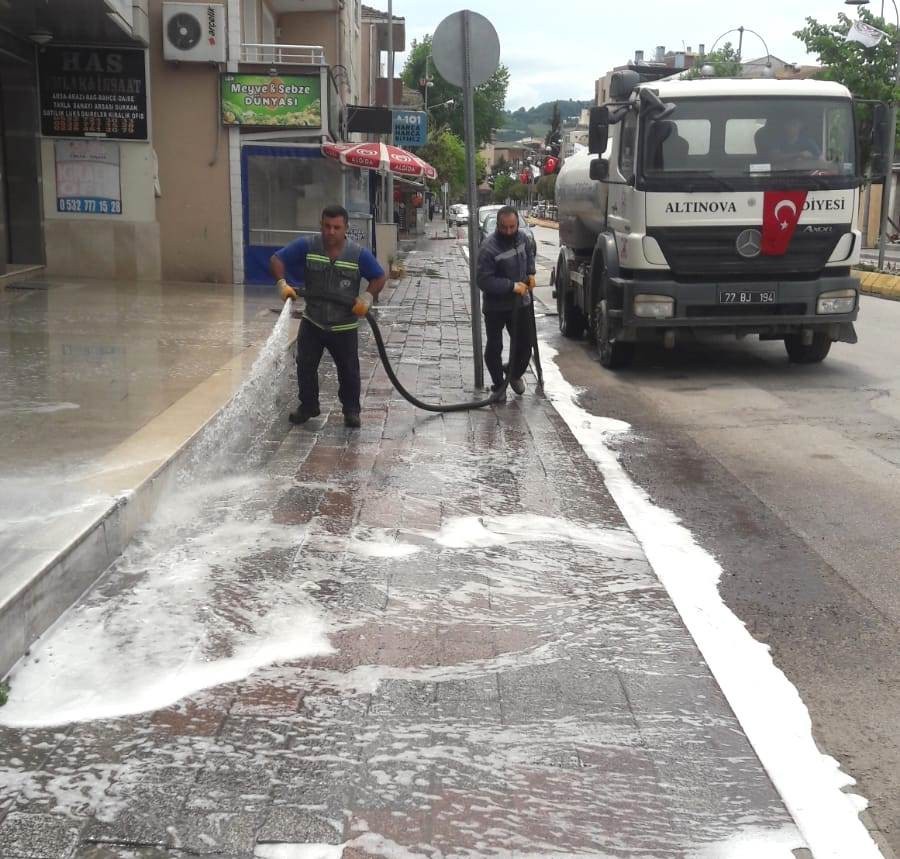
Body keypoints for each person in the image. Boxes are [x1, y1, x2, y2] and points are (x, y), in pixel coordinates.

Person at [271, 205, 386, 428]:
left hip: (344, 326)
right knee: (305, 365)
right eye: (327, 226)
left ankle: (351, 411)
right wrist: (281, 284)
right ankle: (308, 405)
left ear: (346, 228)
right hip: (313, 321)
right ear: (321, 225)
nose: (331, 232)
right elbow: (277, 260)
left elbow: (379, 277)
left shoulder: (358, 254)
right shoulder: (307, 246)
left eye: (336, 227)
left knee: (348, 370)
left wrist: (367, 298)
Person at [476, 206, 536, 401]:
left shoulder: (522, 238)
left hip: (521, 303)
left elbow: (528, 256)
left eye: (512, 227)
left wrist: (530, 274)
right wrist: (511, 286)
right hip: (496, 307)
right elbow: (483, 280)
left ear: (518, 223)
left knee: (525, 345)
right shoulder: (488, 248)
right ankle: (498, 384)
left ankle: (513, 373)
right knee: (495, 346)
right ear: (498, 226)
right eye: (504, 227)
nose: (509, 231)